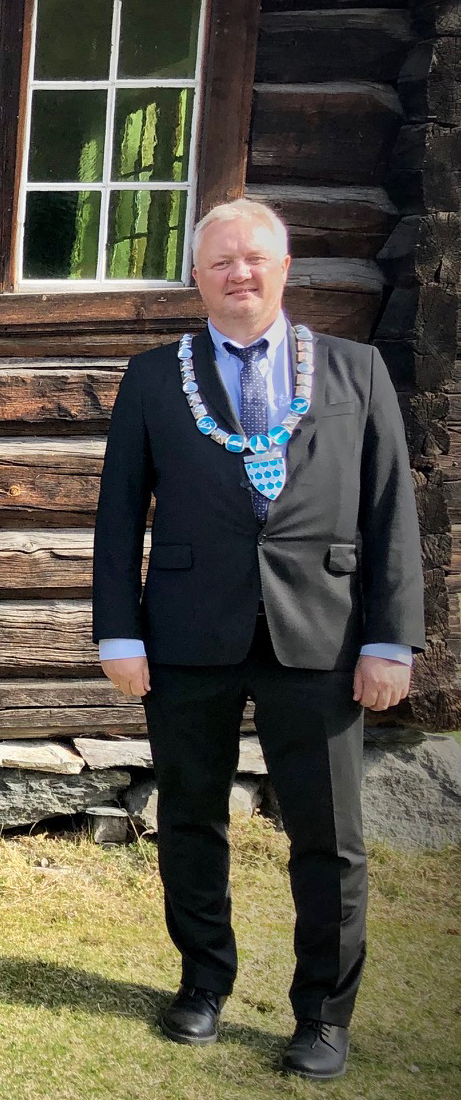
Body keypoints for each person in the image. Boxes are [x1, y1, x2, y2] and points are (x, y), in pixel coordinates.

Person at [92, 198, 421, 1082]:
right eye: (219, 262)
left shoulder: (355, 372)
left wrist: (393, 642)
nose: (239, 274)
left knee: (329, 834)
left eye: (255, 259)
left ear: (285, 268)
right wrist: (118, 631)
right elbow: (119, 516)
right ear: (197, 278)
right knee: (191, 817)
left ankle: (323, 1012)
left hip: (322, 636)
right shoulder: (156, 377)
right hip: (188, 634)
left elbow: (393, 513)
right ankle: (203, 983)